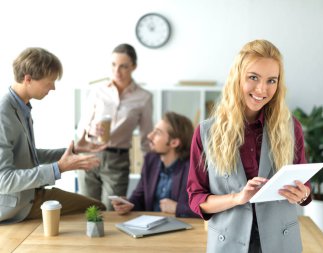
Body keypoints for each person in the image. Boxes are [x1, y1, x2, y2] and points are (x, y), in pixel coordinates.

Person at [187, 40, 312, 253]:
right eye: (253, 77)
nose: (262, 89)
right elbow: (196, 199)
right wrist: (237, 198)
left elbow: (305, 189)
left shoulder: (290, 127)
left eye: (271, 80)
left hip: (281, 243)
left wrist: (302, 194)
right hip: (228, 243)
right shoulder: (206, 132)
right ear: (237, 78)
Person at [0, 47, 106, 224]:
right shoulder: (3, 113)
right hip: (15, 206)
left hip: (33, 193)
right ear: (28, 79)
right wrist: (59, 168)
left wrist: (74, 150)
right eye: (50, 81)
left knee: (97, 208)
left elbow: (29, 155)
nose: (53, 87)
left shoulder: (21, 107)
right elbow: (4, 180)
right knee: (96, 210)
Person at [77, 43, 153, 210]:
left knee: (112, 211)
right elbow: (82, 126)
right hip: (90, 155)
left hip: (117, 161)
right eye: (113, 65)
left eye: (123, 66)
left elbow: (146, 136)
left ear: (133, 67)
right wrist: (91, 130)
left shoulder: (144, 97)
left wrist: (151, 167)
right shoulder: (97, 91)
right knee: (87, 211)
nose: (117, 71)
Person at [111, 112, 198, 218]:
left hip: (181, 230)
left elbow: (205, 209)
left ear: (174, 142)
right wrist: (128, 204)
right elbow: (139, 197)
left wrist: (177, 208)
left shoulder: (192, 168)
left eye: (157, 133)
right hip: (150, 228)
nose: (149, 136)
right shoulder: (150, 160)